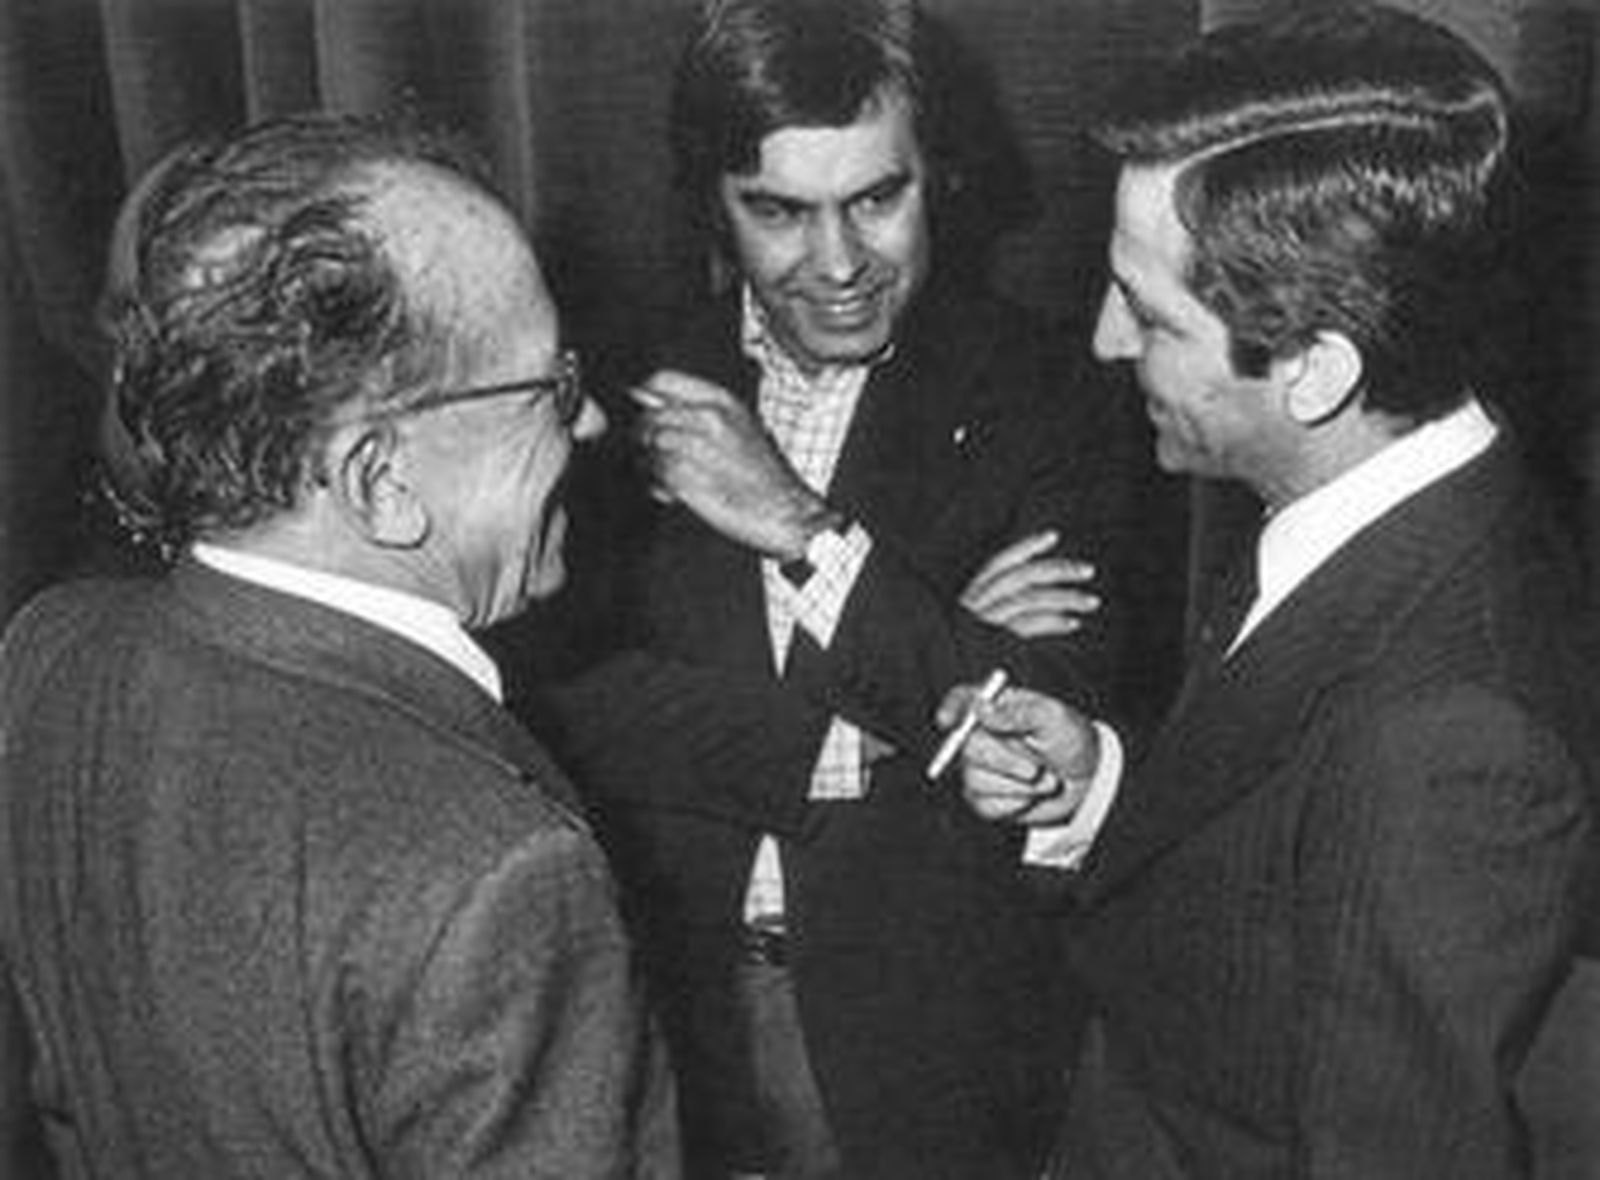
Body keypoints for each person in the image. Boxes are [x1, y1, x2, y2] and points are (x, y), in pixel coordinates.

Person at [937, 6, 1596, 1177]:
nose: (1103, 340)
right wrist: (1105, 789)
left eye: (1148, 313)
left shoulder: (1449, 738)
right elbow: (1284, 871)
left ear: (1314, 371)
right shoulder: (1368, 517)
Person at [528, 1, 1168, 1176]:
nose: (836, 263)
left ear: (940, 175)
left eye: (877, 199)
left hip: (924, 1044)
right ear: (711, 202)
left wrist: (799, 525)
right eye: (776, 210)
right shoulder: (609, 393)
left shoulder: (1058, 393)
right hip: (658, 1020)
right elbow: (553, 704)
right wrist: (906, 670)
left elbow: (1036, 719)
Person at [0, 112, 678, 1178]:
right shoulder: (498, 874)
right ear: (380, 479)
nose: (588, 421)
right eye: (549, 386)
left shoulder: (51, 652)